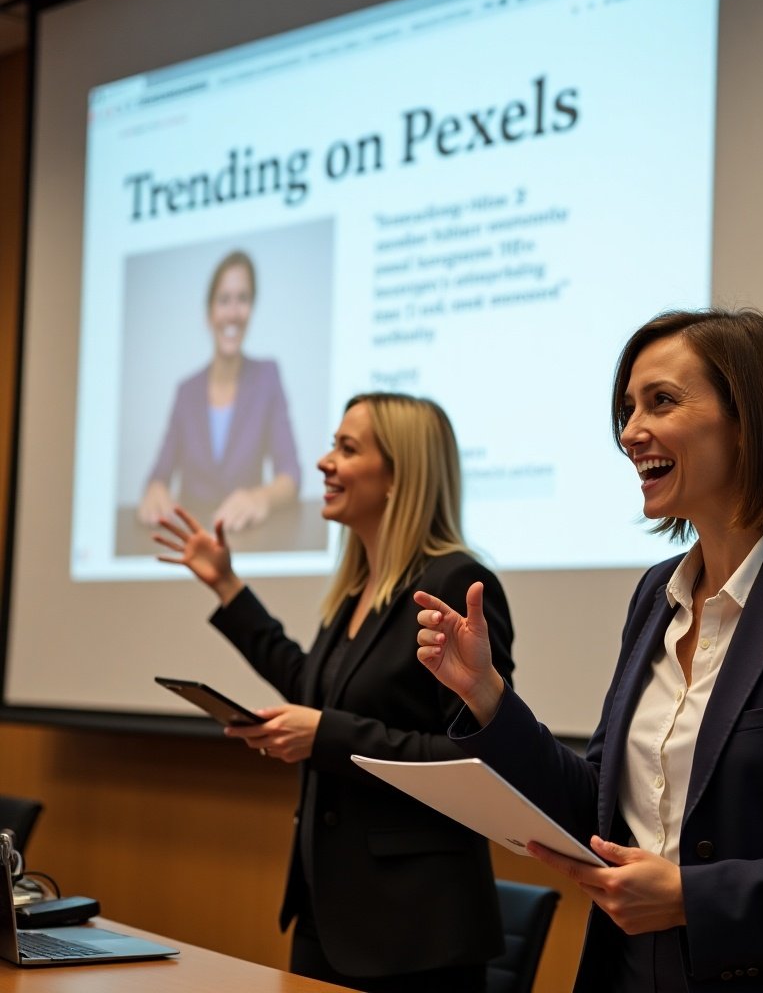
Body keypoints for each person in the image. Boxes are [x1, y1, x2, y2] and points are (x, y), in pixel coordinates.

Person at [414, 309, 763, 992]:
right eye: (627, 409)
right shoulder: (655, 596)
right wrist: (486, 697)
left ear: (749, 420)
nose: (631, 432)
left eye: (660, 402)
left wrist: (696, 897)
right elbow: (600, 811)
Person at [154, 392, 515, 993]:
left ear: (400, 475)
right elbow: (312, 686)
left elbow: (473, 760)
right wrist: (226, 586)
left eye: (347, 449)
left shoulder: (452, 582)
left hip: (414, 930)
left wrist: (325, 736)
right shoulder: (359, 589)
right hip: (332, 910)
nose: (323, 463)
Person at [138, 250, 301, 532]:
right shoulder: (186, 391)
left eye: (243, 299)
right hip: (194, 542)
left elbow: (291, 474)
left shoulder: (267, 376)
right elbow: (159, 473)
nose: (233, 312)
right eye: (224, 300)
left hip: (246, 538)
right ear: (209, 313)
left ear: (251, 308)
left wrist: (260, 497)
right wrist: (155, 489)